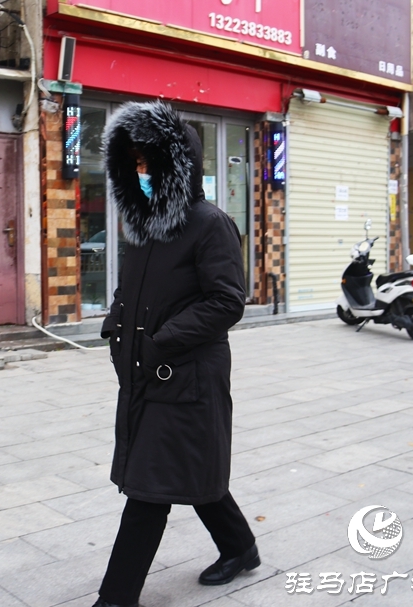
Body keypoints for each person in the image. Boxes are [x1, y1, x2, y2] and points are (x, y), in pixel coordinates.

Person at [93, 101, 259, 607]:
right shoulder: (143, 227)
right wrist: (115, 324)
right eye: (135, 163)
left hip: (186, 373)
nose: (141, 173)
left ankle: (116, 597)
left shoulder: (210, 224)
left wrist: (161, 339)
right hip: (145, 372)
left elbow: (228, 301)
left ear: (175, 165)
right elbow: (136, 292)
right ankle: (240, 547)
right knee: (187, 468)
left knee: (150, 488)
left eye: (149, 163)